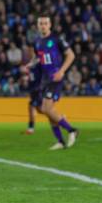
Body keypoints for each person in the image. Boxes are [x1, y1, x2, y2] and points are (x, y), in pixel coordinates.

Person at [24, 13, 79, 150]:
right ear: (37, 26)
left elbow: (71, 55)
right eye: (40, 23)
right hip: (45, 79)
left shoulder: (56, 39)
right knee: (46, 110)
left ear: (50, 25)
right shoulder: (37, 42)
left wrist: (62, 71)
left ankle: (72, 130)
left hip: (55, 77)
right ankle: (60, 141)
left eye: (45, 23)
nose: (43, 25)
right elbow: (38, 58)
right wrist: (31, 64)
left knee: (47, 108)